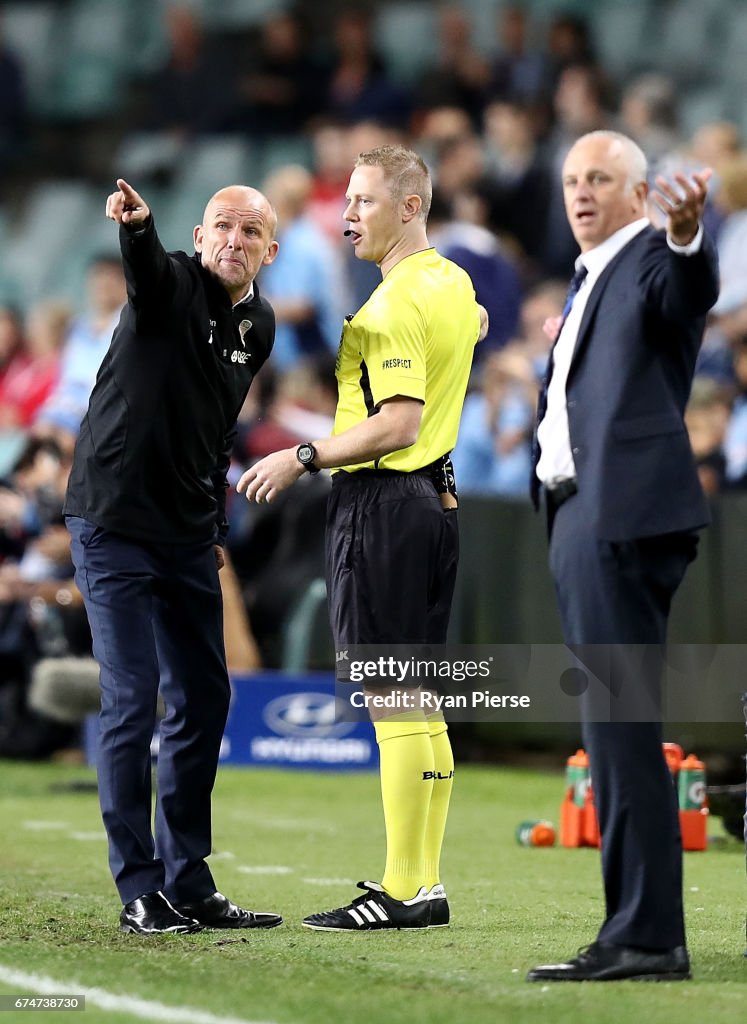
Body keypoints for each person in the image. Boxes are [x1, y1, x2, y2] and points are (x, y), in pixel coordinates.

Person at [236, 145, 488, 930]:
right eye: (345, 201)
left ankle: (404, 889)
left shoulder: (391, 306)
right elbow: (474, 324)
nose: (347, 215)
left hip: (383, 504)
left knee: (392, 695)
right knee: (417, 697)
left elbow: (398, 421)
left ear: (410, 206)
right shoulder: (451, 281)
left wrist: (301, 454)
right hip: (433, 502)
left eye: (364, 201)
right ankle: (422, 883)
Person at [63, 178, 283, 935]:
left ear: (270, 250)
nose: (233, 239)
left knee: (205, 697)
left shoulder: (260, 325)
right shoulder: (170, 284)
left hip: (187, 535)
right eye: (221, 225)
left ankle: (188, 880)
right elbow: (144, 271)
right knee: (132, 696)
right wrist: (137, 229)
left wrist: (211, 530)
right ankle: (139, 886)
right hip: (114, 521)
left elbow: (216, 428)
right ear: (197, 237)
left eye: (249, 231)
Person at [528, 131, 718, 981]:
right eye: (571, 178)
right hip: (581, 514)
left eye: (599, 177)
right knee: (609, 728)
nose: (580, 191)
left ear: (639, 193)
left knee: (620, 726)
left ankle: (644, 936)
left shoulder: (645, 253)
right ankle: (635, 928)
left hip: (618, 514)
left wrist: (684, 235)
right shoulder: (590, 273)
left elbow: (684, 290)